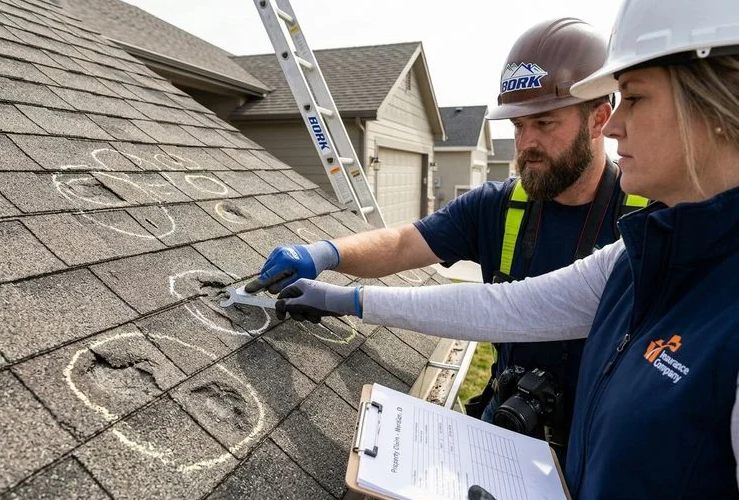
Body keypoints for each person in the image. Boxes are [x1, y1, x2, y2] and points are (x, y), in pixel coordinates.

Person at [274, 0, 739, 496]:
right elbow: (505, 306)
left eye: (636, 98)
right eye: (519, 126)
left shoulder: (655, 236)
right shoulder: (643, 253)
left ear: (712, 105)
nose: (619, 123)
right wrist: (343, 289)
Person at [247, 18, 646, 455]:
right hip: (508, 425)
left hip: (597, 446)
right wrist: (324, 253)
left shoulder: (648, 220)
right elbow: (403, 242)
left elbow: (510, 308)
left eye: (544, 124)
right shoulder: (498, 206)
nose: (525, 143)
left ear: (598, 120)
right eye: (517, 126)